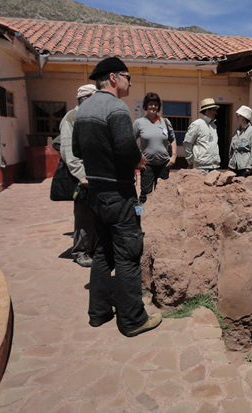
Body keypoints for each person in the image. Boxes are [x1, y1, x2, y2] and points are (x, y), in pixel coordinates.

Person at [72, 56, 162, 336]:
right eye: (127, 76)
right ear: (113, 78)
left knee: (102, 252)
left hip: (96, 195)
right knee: (128, 255)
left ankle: (98, 313)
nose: (130, 82)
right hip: (119, 196)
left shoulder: (84, 110)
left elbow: (75, 150)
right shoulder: (116, 108)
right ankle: (133, 320)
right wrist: (139, 161)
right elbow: (125, 148)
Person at [59, 84, 98, 267]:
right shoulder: (71, 118)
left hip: (96, 175)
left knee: (97, 214)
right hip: (82, 177)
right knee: (83, 216)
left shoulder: (91, 118)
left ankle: (93, 248)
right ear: (85, 99)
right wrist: (81, 176)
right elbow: (68, 151)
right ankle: (81, 251)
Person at [133, 92, 177, 203]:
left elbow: (173, 140)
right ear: (146, 106)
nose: (153, 106)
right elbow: (130, 142)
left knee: (164, 196)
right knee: (144, 196)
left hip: (164, 165)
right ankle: (139, 217)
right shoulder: (139, 123)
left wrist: (174, 156)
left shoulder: (165, 122)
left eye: (156, 104)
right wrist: (137, 159)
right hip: (147, 166)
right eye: (150, 104)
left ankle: (162, 219)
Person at [183, 98, 220, 172]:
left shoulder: (213, 126)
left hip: (214, 166)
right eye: (213, 110)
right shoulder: (197, 125)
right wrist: (190, 161)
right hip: (201, 167)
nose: (215, 113)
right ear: (207, 111)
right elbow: (187, 143)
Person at [228, 105, 252, 177]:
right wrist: (230, 162)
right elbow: (231, 148)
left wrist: (250, 166)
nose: (237, 117)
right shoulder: (236, 131)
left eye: (239, 115)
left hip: (244, 167)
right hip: (233, 166)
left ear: (244, 117)